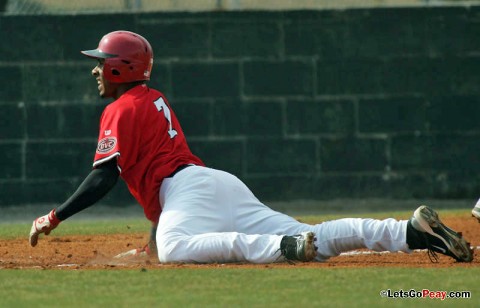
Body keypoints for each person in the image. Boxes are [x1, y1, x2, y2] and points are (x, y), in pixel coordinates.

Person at [29, 30, 474, 264]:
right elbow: (161, 175)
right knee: (313, 235)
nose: (96, 71)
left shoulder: (121, 108)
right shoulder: (152, 98)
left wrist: (54, 217)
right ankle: (408, 232)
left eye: (102, 63)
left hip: (187, 192)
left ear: (122, 69)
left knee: (179, 249)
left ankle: (282, 248)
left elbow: (103, 175)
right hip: (212, 185)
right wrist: (153, 239)